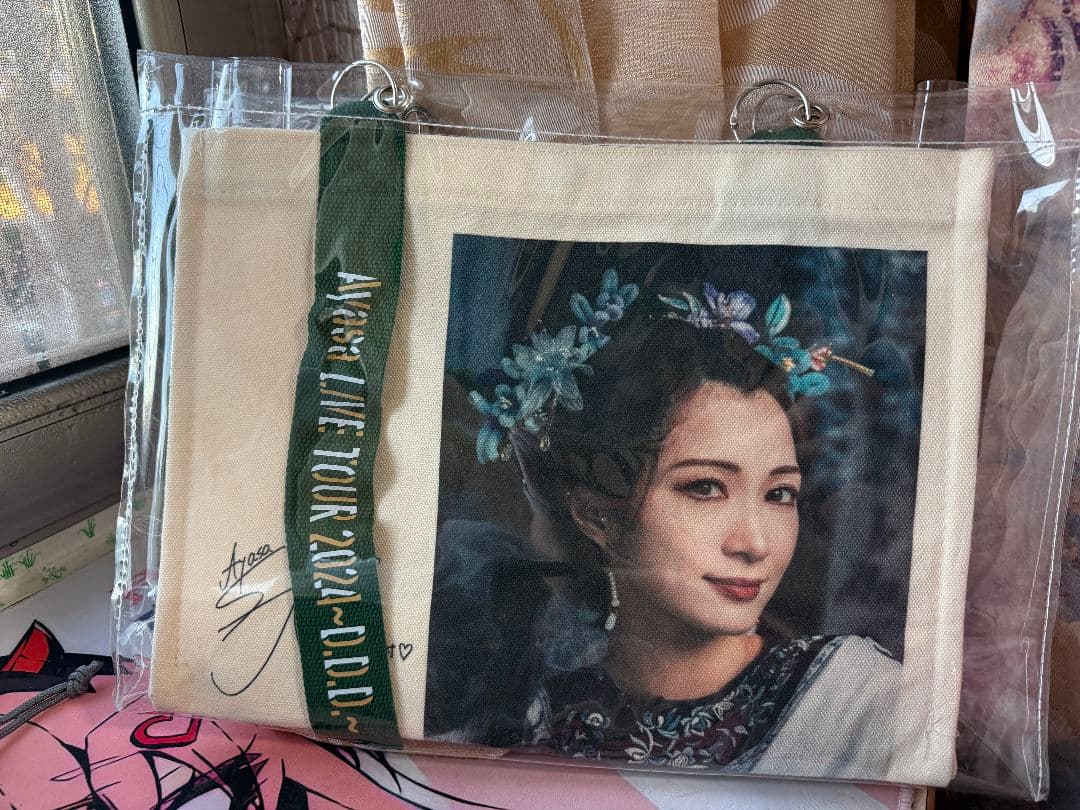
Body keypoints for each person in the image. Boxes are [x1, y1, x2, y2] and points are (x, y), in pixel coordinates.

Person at [428, 280, 901, 778]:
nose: (755, 544)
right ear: (598, 516)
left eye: (779, 493)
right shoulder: (521, 715)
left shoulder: (857, 704)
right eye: (705, 488)